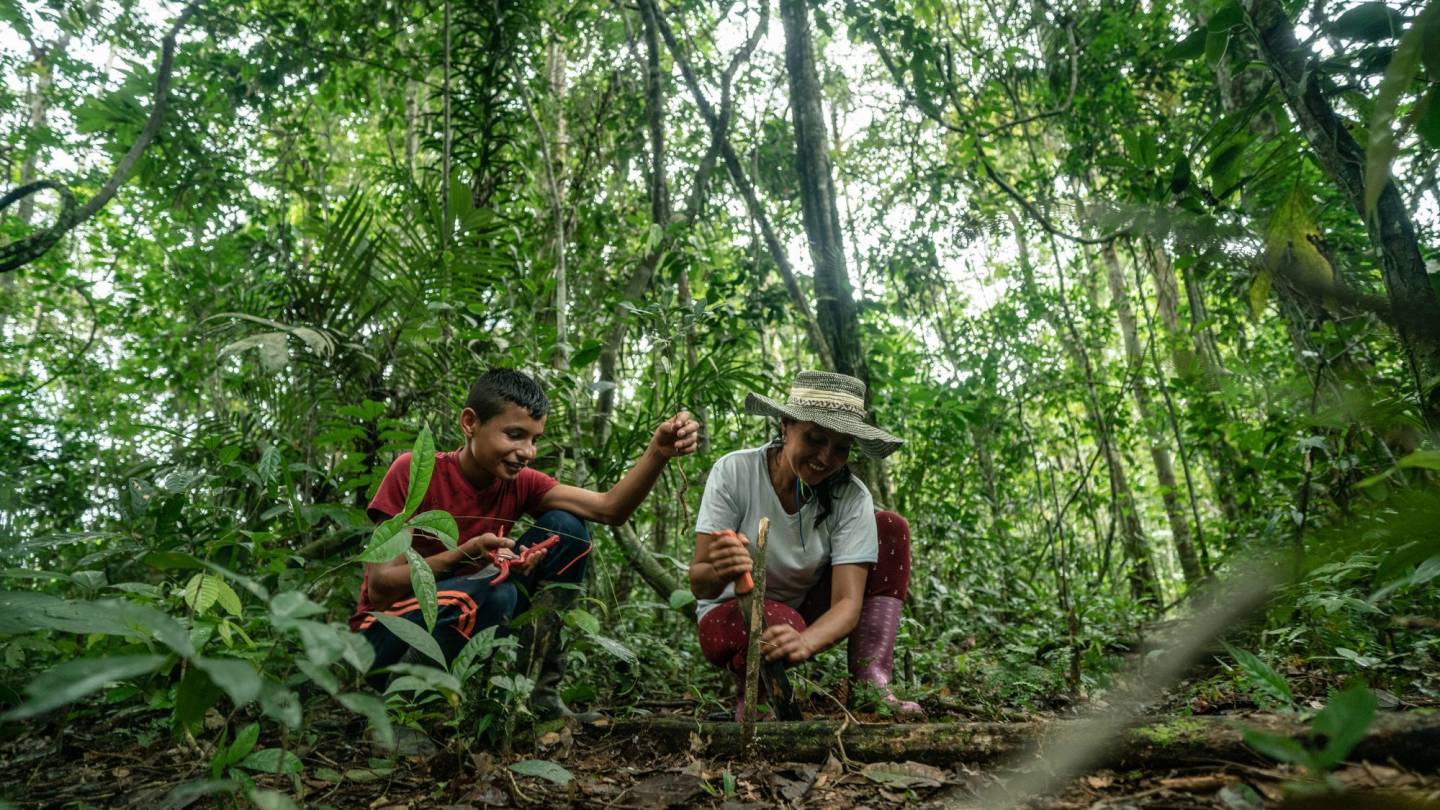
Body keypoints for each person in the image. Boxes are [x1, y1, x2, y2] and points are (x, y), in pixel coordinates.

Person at [350, 368, 700, 721]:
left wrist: (658, 451)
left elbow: (609, 509)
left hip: (468, 608)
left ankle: (538, 697)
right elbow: (380, 588)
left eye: (534, 439)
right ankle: (402, 711)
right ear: (470, 423)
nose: (527, 451)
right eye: (514, 435)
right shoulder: (415, 470)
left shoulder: (519, 482)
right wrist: (466, 554)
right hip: (384, 637)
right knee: (495, 591)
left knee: (568, 530)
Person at [689, 370, 921, 718]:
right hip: (732, 610)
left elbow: (847, 601)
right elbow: (700, 584)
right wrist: (721, 569)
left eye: (841, 448)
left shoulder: (850, 496)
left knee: (889, 527)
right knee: (777, 619)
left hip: (801, 613)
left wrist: (807, 641)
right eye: (815, 439)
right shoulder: (734, 472)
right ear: (786, 425)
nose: (826, 458)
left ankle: (871, 684)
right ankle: (755, 695)